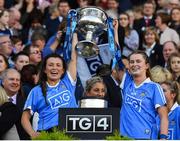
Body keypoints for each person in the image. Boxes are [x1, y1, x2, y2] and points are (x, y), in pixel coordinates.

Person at [21, 33, 78, 138]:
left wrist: (74, 35)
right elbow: (25, 117)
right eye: (50, 65)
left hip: (72, 131)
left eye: (58, 65)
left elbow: (74, 58)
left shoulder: (68, 82)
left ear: (63, 70)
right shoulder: (36, 91)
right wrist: (32, 133)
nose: (54, 68)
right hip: (48, 134)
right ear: (45, 70)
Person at [120, 50, 168, 139]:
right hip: (124, 137)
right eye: (132, 62)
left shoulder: (154, 87)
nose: (134, 64)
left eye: (138, 61)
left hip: (145, 137)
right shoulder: (127, 82)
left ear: (147, 65)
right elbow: (116, 51)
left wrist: (163, 137)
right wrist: (114, 35)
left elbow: (164, 116)